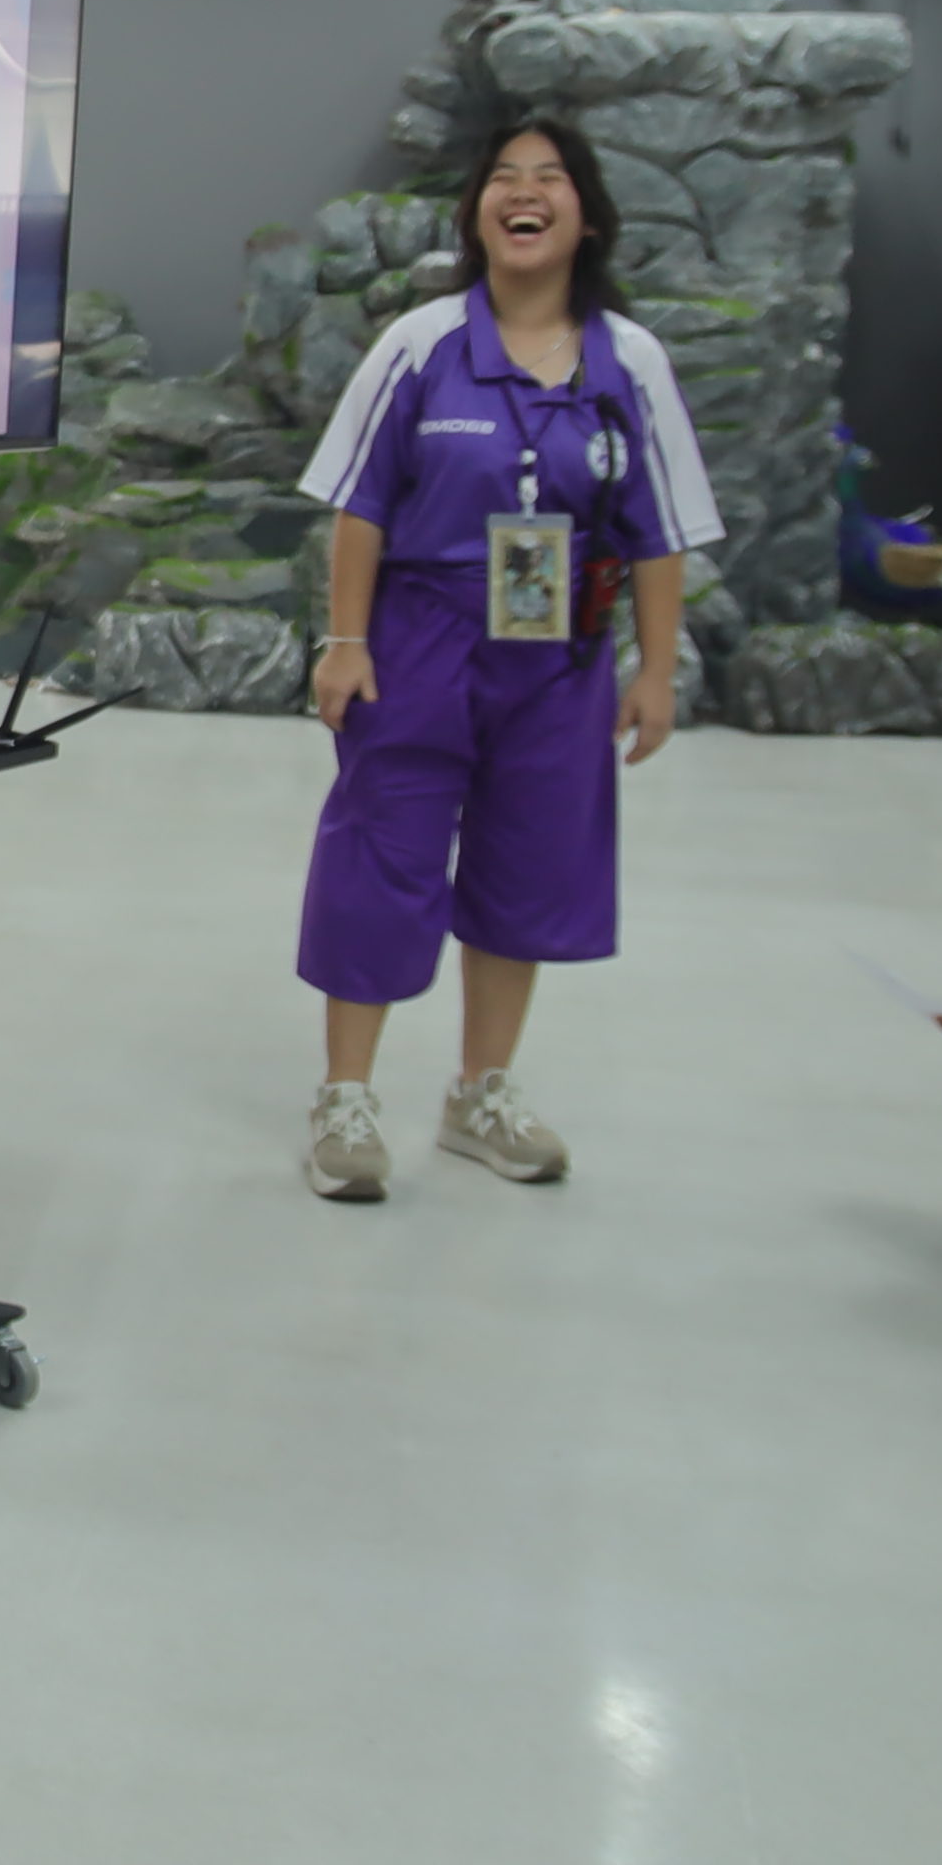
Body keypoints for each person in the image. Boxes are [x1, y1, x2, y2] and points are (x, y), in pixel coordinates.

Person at [291, 118, 722, 1200]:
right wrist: (345, 643)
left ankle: (481, 1092)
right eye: (504, 179)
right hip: (419, 644)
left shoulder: (631, 361)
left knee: (528, 864)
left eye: (550, 179)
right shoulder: (421, 344)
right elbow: (361, 506)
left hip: (559, 656)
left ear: (588, 216)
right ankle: (345, 1097)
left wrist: (655, 671)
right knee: (382, 858)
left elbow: (660, 531)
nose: (525, 194)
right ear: (478, 212)